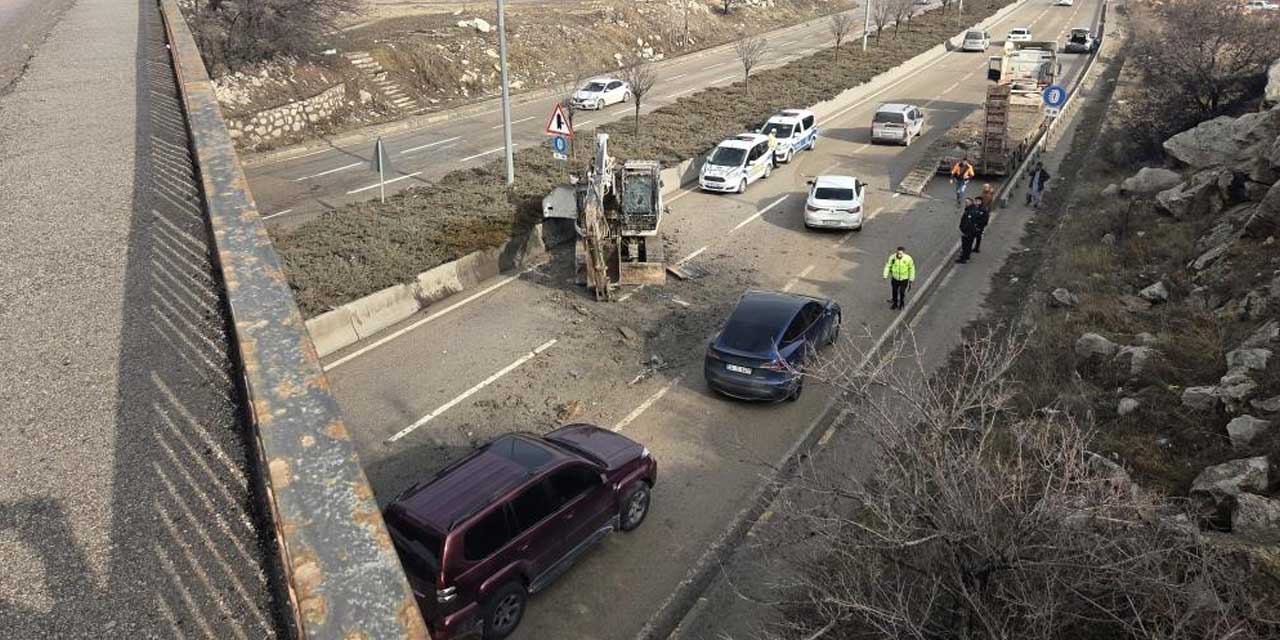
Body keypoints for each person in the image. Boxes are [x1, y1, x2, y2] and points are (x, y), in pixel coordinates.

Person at [883, 246, 916, 310]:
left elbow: (912, 269)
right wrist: (885, 275)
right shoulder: (892, 258)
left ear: (903, 253)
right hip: (895, 278)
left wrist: (911, 279)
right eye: (898, 253)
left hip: (904, 279)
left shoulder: (908, 259)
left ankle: (901, 303)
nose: (899, 255)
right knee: (894, 291)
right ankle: (895, 304)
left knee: (902, 292)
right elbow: (888, 266)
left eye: (901, 254)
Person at [958, 198, 981, 263]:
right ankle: (966, 256)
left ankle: (964, 258)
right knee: (967, 245)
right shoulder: (970, 209)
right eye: (965, 202)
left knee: (966, 245)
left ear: (971, 202)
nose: (965, 203)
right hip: (969, 231)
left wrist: (964, 231)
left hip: (968, 232)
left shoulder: (971, 211)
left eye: (967, 202)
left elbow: (968, 223)